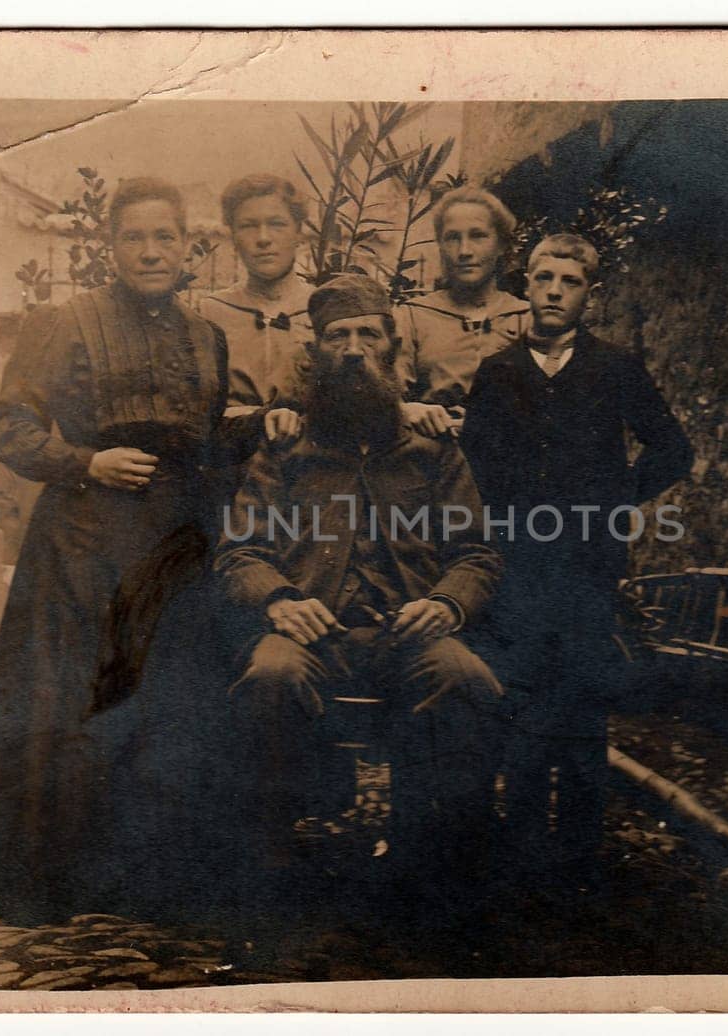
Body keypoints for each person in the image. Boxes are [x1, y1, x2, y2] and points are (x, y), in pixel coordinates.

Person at [0, 177, 263, 925]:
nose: (151, 252)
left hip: (175, 545)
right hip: (82, 545)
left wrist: (266, 428)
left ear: (189, 247)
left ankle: (147, 874)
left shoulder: (205, 337)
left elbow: (207, 442)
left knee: (165, 700)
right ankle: (57, 874)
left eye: (165, 238)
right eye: (134, 238)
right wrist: (86, 461)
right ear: (110, 247)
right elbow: (10, 426)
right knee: (72, 697)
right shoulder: (63, 321)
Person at [215, 274, 506, 945]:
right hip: (310, 637)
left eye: (367, 335)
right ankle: (272, 864)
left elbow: (477, 554)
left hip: (406, 636)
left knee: (463, 678)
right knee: (269, 676)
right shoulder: (285, 449)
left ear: (393, 351)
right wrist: (281, 600)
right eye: (337, 337)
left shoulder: (434, 449)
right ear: (314, 354)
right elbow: (239, 554)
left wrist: (446, 604)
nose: (352, 351)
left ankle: (431, 866)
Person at [460, 233, 693, 900]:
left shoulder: (615, 369)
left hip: (589, 565)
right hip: (520, 565)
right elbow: (474, 465)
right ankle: (527, 851)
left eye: (571, 280)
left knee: (585, 704)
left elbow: (674, 449)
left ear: (589, 294)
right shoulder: (499, 372)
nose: (555, 291)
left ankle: (581, 858)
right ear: (525, 285)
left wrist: (617, 498)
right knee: (528, 698)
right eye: (544, 278)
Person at [394, 186, 530, 438]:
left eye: (478, 236)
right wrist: (408, 410)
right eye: (453, 237)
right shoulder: (413, 316)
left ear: (501, 245)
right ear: (441, 245)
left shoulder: (527, 318)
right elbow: (387, 400)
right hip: (433, 455)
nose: (464, 250)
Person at [201, 174, 311, 442]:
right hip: (233, 459)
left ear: (298, 233)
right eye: (248, 226)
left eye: (277, 224)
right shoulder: (208, 313)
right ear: (233, 237)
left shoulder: (323, 310)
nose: (263, 239)